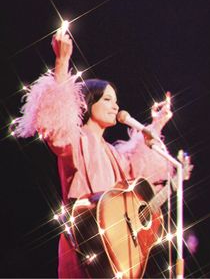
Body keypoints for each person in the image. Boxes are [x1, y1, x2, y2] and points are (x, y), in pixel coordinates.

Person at [15, 30, 182, 278]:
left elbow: (139, 183)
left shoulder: (113, 153)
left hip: (117, 252)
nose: (115, 106)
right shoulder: (77, 139)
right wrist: (62, 62)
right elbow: (55, 127)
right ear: (89, 103)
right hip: (86, 244)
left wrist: (155, 126)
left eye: (116, 100)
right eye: (107, 99)